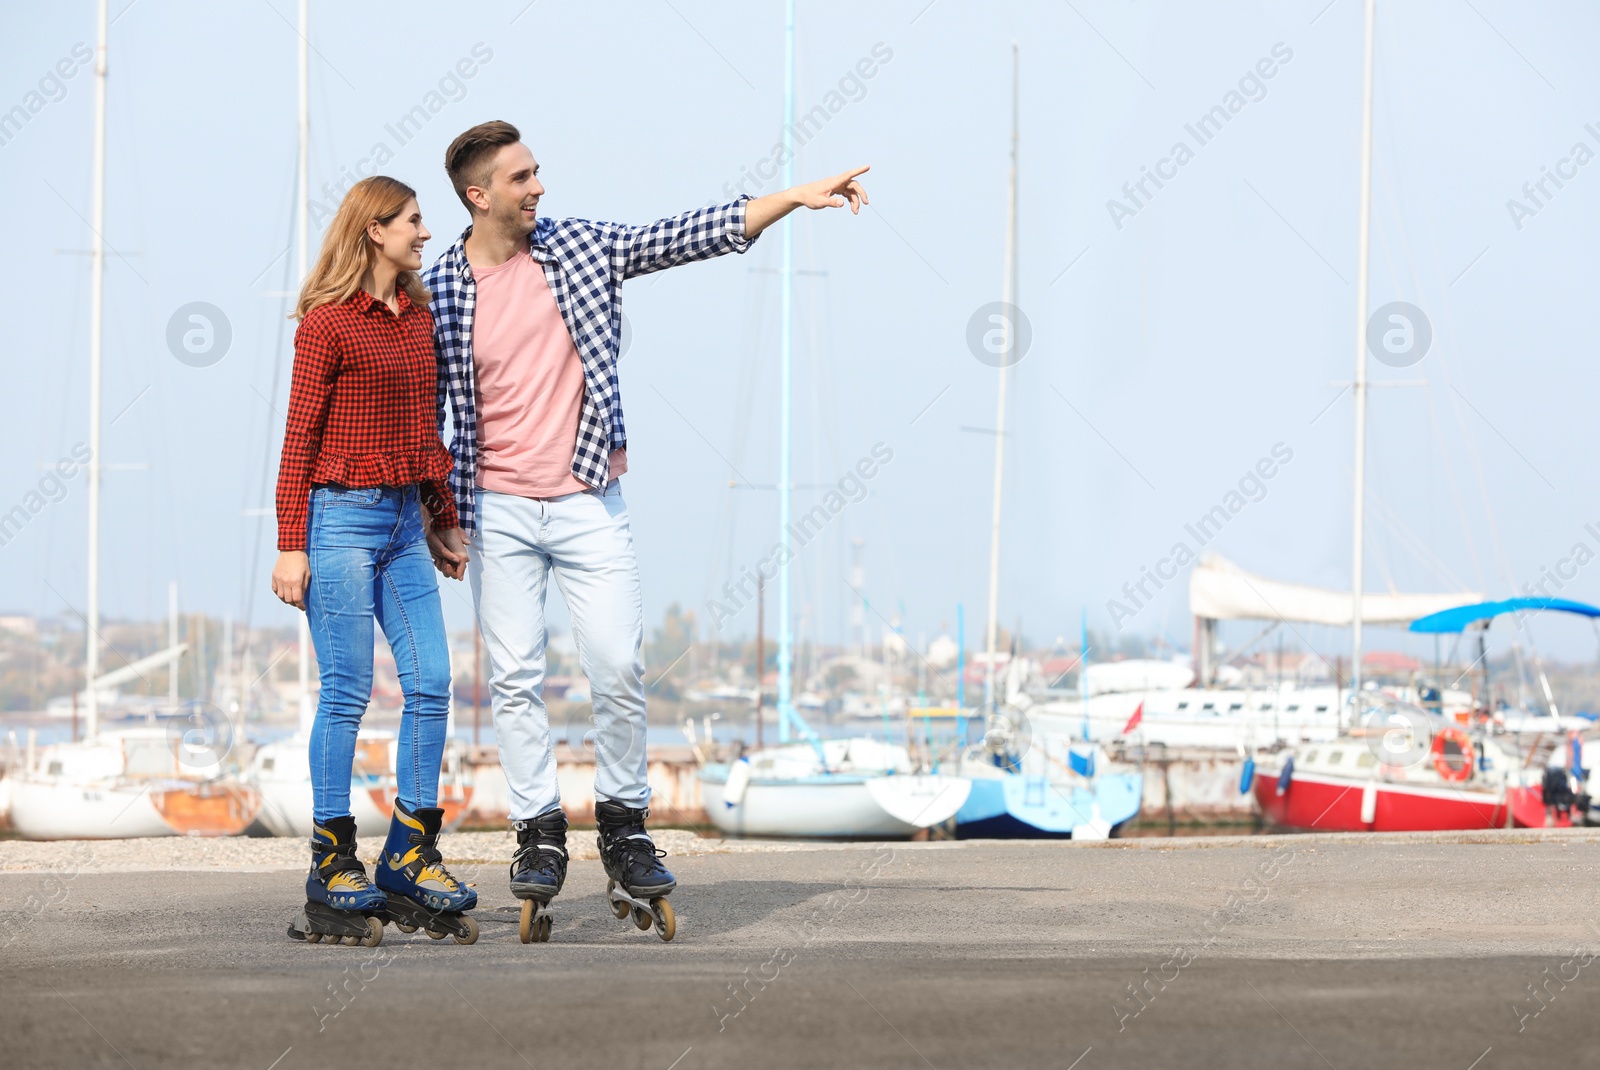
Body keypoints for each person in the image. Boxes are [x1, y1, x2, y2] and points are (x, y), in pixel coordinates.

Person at [421, 119, 868, 928]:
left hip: (589, 497)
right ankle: (539, 833)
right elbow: (432, 410)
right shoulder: (442, 286)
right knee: (516, 678)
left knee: (617, 667)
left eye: (538, 172)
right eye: (522, 178)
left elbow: (687, 234)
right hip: (499, 509)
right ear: (478, 196)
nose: (539, 188)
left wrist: (796, 199)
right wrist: (437, 512)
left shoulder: (581, 248)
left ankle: (624, 827)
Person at [272, 175, 477, 944]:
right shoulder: (326, 326)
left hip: (400, 524)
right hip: (339, 522)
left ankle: (409, 855)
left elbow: (428, 436)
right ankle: (331, 867)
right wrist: (291, 544)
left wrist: (442, 521)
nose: (425, 233)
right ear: (374, 231)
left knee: (430, 680)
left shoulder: (417, 321)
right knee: (349, 689)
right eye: (414, 221)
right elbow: (298, 442)